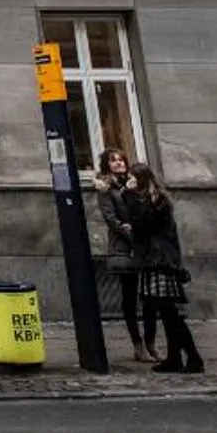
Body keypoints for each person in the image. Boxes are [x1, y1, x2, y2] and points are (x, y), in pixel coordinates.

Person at [119, 162, 203, 374]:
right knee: (166, 313)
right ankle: (175, 357)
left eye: (131, 177)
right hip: (154, 260)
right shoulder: (152, 199)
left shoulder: (157, 201)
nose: (129, 181)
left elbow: (141, 223)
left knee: (170, 312)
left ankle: (193, 357)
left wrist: (128, 197)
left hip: (160, 261)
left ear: (140, 179)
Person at [93, 146, 155, 363]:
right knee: (129, 297)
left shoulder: (134, 185)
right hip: (125, 247)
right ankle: (138, 345)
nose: (118, 163)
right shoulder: (106, 189)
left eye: (121, 159)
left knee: (150, 296)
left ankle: (150, 342)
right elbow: (111, 219)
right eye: (113, 160)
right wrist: (132, 232)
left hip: (144, 246)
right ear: (106, 165)